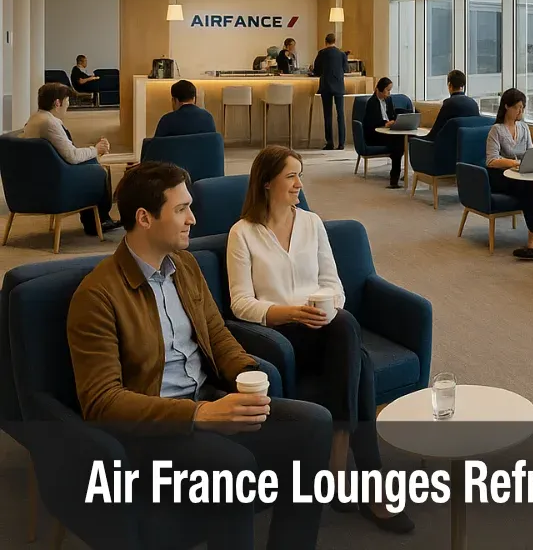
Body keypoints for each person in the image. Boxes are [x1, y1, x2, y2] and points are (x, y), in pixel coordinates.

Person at [66, 161, 333, 550]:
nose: (193, 219)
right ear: (144, 218)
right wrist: (199, 414)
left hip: (208, 400)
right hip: (154, 430)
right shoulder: (97, 296)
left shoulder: (185, 266)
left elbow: (217, 335)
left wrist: (246, 374)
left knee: (315, 422)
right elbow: (102, 402)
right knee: (234, 468)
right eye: (181, 209)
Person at [225, 146, 413, 534]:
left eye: (300, 175)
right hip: (280, 334)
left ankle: (343, 458)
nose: (299, 184)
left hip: (326, 328)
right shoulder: (242, 233)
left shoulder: (312, 223)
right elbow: (241, 303)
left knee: (350, 340)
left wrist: (326, 309)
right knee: (353, 345)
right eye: (291, 176)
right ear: (267, 183)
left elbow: (333, 284)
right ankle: (357, 472)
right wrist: (292, 313)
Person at [22, 83, 121, 234]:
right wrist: (96, 149)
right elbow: (72, 156)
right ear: (57, 103)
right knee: (100, 172)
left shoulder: (35, 118)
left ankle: (99, 220)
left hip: (44, 175)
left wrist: (93, 152)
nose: (68, 105)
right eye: (67, 101)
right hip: (56, 181)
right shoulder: (49, 123)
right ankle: (98, 222)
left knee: (92, 163)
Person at [485, 89, 533, 260]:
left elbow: (531, 150)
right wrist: (515, 163)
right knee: (528, 187)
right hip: (500, 176)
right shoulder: (496, 130)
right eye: (517, 107)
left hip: (520, 174)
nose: (521, 111)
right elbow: (491, 160)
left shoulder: (524, 127)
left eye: (522, 107)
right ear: (507, 106)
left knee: (531, 184)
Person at [362, 77, 404, 188]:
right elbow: (371, 123)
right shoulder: (371, 103)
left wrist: (395, 121)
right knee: (398, 144)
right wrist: (385, 124)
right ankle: (394, 179)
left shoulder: (389, 100)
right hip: (375, 135)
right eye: (387, 90)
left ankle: (397, 174)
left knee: (405, 139)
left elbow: (392, 115)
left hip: (388, 132)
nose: (389, 93)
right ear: (379, 89)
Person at [312, 33, 346, 150]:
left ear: (325, 42)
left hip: (326, 86)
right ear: (335, 41)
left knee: (328, 115)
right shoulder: (341, 54)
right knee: (340, 114)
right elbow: (345, 69)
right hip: (339, 86)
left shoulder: (322, 53)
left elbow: (317, 71)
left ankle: (330, 143)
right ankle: (341, 143)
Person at [424, 70, 479, 141]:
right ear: (463, 86)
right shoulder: (473, 103)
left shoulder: (449, 104)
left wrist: (415, 138)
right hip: (469, 144)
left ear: (449, 85)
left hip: (449, 146)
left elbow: (434, 134)